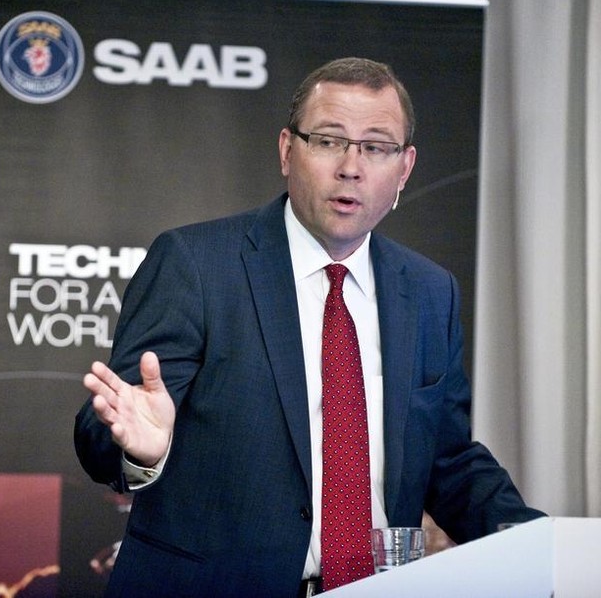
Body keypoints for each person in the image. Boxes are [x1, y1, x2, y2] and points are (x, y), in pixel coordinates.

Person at [75, 57, 544, 597]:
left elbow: (448, 459)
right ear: (286, 150)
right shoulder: (197, 265)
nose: (352, 166)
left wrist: (540, 548)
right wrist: (143, 451)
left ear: (405, 167)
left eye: (376, 146)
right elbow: (105, 429)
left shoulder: (430, 291)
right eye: (328, 140)